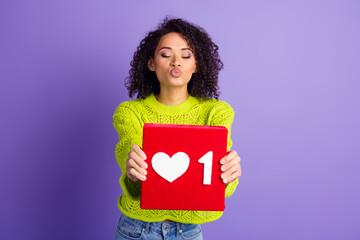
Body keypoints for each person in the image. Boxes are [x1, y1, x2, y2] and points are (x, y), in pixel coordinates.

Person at [113, 16, 242, 240]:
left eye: (185, 55)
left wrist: (229, 175)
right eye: (165, 54)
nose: (176, 62)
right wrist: (132, 171)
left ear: (197, 64)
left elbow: (218, 188)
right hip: (136, 230)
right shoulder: (129, 112)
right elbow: (134, 183)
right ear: (152, 63)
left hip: (188, 232)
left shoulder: (217, 112)